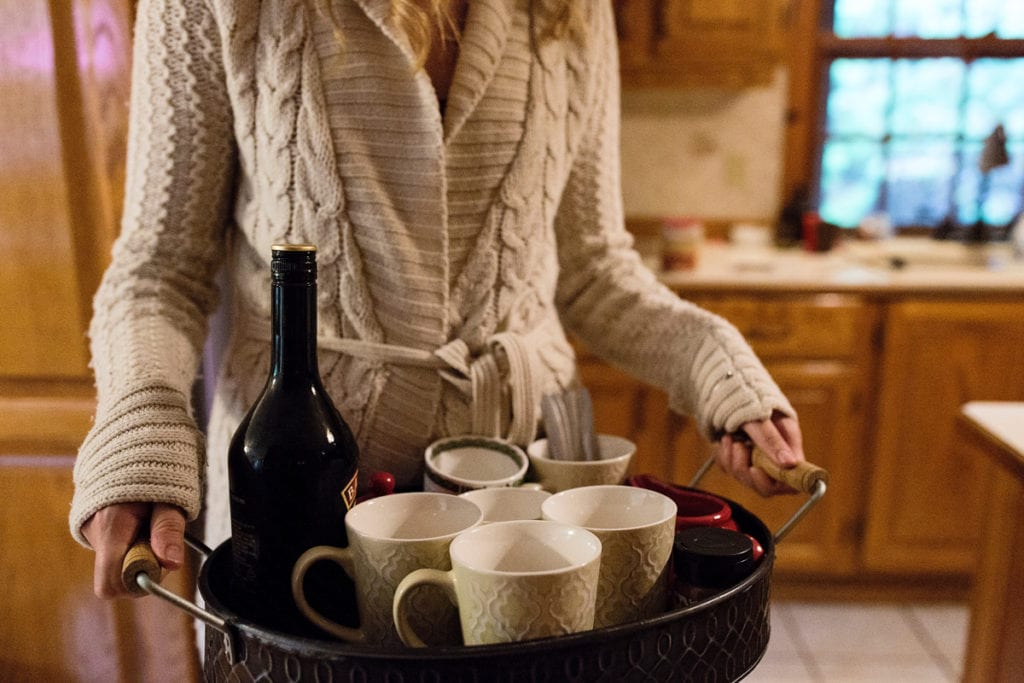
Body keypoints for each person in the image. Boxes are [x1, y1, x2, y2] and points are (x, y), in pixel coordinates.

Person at [71, 0, 805, 599]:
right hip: (302, 501)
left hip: (525, 503)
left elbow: (595, 269)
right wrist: (141, 435)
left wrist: (717, 364)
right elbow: (159, 270)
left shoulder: (570, 9)